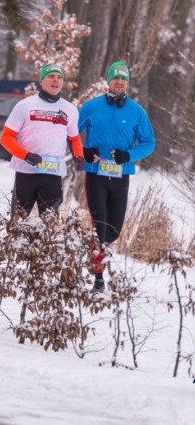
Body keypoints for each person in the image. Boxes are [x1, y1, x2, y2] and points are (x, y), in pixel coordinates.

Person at [78, 61, 155, 293]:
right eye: (115, 78)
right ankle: (98, 280)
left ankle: (92, 253)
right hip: (95, 175)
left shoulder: (137, 111)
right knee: (98, 226)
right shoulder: (90, 107)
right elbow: (71, 133)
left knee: (113, 230)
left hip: (121, 176)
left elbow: (149, 143)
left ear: (127, 83)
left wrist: (128, 155)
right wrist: (83, 151)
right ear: (108, 81)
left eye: (123, 79)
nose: (119, 82)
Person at [0, 63, 85, 216]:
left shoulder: (70, 109)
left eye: (59, 77)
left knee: (49, 225)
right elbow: (6, 137)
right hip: (26, 171)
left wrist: (79, 156)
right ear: (41, 81)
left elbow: (74, 138)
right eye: (51, 76)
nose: (56, 80)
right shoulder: (25, 105)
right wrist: (25, 155)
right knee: (18, 221)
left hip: (52, 173)